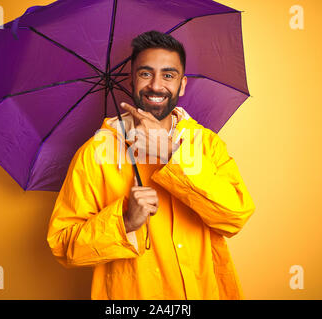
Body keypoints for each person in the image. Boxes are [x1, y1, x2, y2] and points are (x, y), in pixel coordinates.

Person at [46, 30, 255, 300]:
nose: (156, 86)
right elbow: (63, 246)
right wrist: (124, 221)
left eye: (168, 75)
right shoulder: (96, 152)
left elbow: (235, 217)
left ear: (182, 85)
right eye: (145, 73)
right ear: (132, 80)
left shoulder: (206, 144)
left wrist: (171, 154)